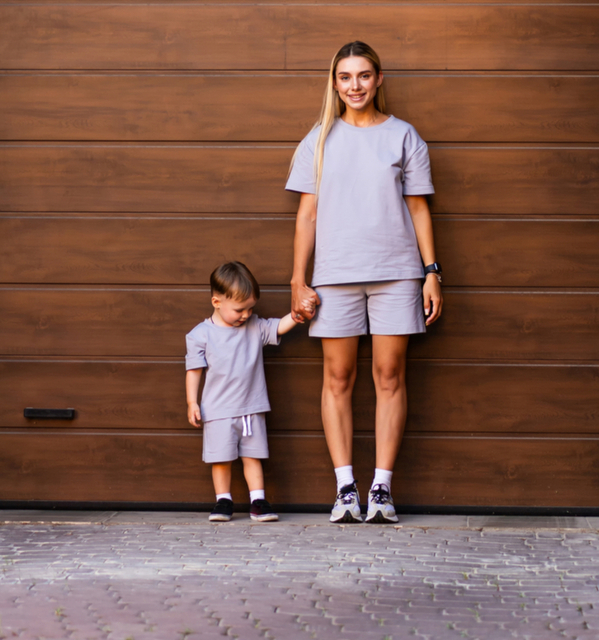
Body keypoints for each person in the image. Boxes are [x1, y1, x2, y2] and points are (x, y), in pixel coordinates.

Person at [286, 42, 443, 524]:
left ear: (378, 79)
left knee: (389, 376)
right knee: (338, 379)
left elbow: (418, 207)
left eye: (363, 75)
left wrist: (431, 272)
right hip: (335, 276)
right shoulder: (318, 139)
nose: (354, 85)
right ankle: (345, 489)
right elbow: (307, 215)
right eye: (345, 76)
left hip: (397, 273)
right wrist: (298, 279)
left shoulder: (403, 135)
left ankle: (381, 489)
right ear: (334, 83)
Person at [185, 260, 303, 523]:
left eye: (251, 308)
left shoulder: (255, 326)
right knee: (221, 459)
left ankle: (258, 501)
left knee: (253, 456)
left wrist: (295, 316)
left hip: (252, 408)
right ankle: (223, 501)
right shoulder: (200, 335)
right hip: (218, 411)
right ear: (216, 302)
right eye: (240, 310)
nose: (246, 315)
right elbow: (194, 370)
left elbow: (277, 326)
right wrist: (192, 402)